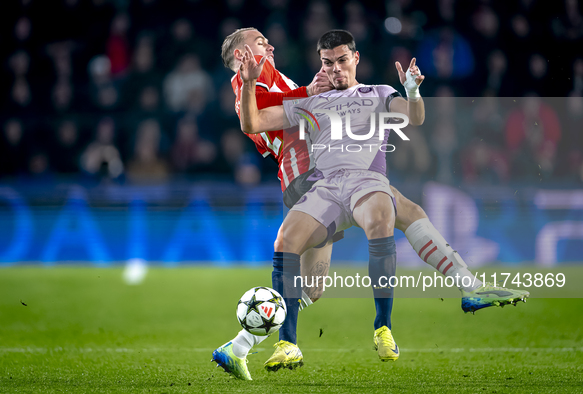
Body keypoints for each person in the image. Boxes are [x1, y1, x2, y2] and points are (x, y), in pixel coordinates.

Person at [212, 29, 529, 381]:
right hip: (311, 179)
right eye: (326, 63)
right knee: (390, 220)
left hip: (350, 181)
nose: (269, 44)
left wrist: (411, 89)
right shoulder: (267, 86)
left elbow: (415, 115)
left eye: (341, 60)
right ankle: (464, 287)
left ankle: (243, 345)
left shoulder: (374, 92)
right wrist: (268, 85)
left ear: (356, 59)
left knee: (316, 285)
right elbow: (253, 121)